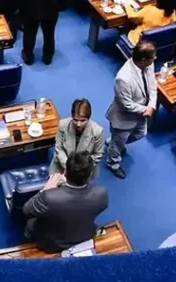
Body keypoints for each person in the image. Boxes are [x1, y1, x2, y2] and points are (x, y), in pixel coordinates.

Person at [22, 151, 109, 252]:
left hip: (53, 245)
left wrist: (45, 189)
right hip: (84, 238)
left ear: (65, 172)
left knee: (30, 223)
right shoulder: (102, 193)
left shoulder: (48, 197)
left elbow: (26, 210)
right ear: (90, 174)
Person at [104, 40, 158, 179]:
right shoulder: (123, 78)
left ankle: (113, 142)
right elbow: (125, 104)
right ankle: (112, 163)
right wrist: (144, 109)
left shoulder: (148, 65)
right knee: (118, 146)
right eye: (153, 57)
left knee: (140, 134)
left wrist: (151, 105)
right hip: (124, 118)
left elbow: (152, 85)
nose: (155, 59)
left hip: (142, 113)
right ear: (143, 59)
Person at [50, 99, 106, 177]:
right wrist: (68, 167)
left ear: (88, 118)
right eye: (75, 120)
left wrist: (80, 169)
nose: (78, 124)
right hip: (62, 164)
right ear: (71, 116)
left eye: (83, 120)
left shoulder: (98, 132)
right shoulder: (63, 125)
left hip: (84, 170)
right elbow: (59, 148)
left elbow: (97, 155)